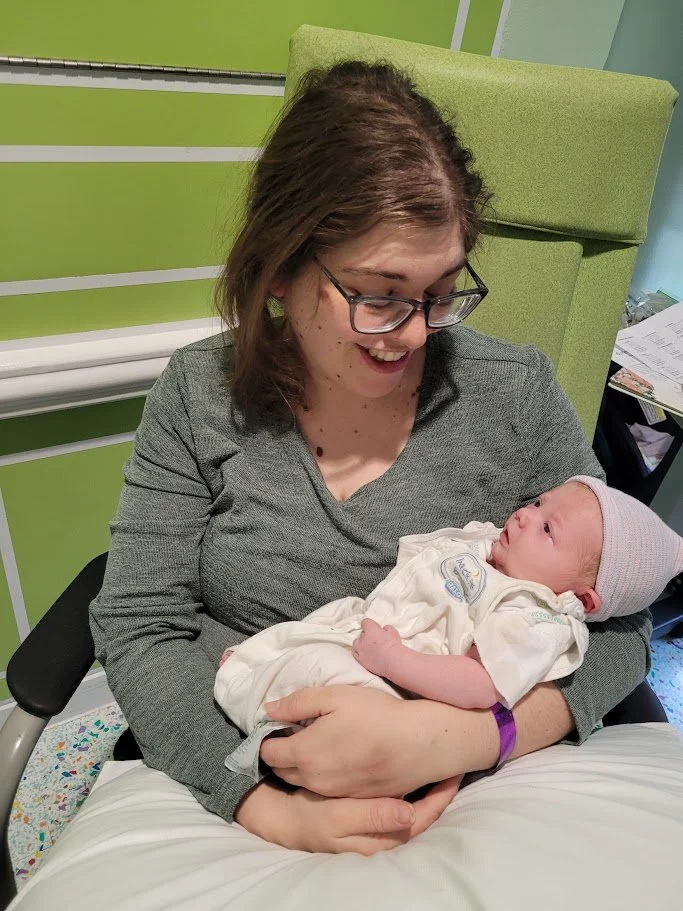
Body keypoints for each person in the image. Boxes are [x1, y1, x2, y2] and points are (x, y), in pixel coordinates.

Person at [84, 60, 655, 858]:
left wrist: (457, 737)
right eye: (379, 295)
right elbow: (139, 625)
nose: (416, 331)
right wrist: (263, 805)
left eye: (441, 291)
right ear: (280, 270)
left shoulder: (512, 396)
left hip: (468, 785)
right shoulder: (198, 397)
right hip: (244, 770)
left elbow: (621, 623)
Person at [214, 476, 682, 781]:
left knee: (321, 669)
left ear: (582, 599)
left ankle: (272, 721)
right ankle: (257, 669)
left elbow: (480, 685)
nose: (524, 514)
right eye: (538, 502)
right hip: (375, 628)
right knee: (315, 629)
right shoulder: (497, 552)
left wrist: (394, 660)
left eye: (547, 529)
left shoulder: (535, 616)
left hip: (403, 683)